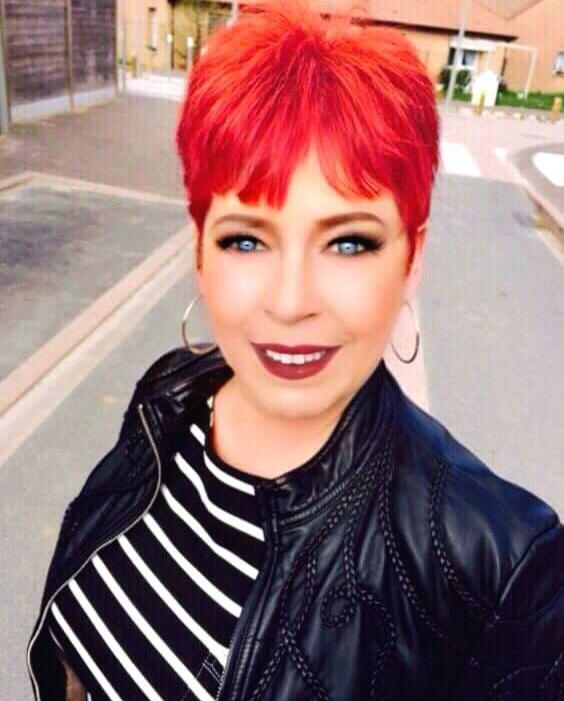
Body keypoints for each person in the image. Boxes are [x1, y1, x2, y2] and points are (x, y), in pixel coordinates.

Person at [27, 0, 563, 699]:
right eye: (246, 239)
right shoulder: (168, 401)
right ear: (200, 251)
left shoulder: (498, 562)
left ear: (412, 258)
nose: (289, 301)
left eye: (349, 242)